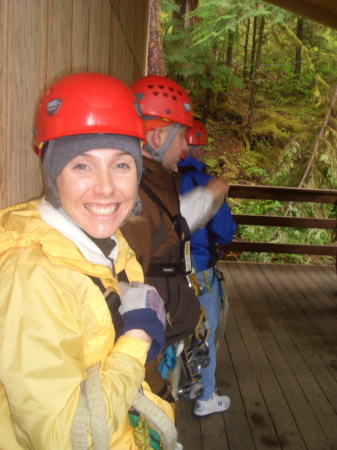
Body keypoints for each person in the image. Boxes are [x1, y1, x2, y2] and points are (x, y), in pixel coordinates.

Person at [0, 73, 179, 449]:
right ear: (53, 176)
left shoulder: (108, 246)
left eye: (121, 165)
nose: (106, 187)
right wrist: (135, 339)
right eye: (82, 166)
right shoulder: (35, 278)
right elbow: (66, 438)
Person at [121, 76, 229, 406]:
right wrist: (155, 389)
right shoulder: (134, 194)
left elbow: (170, 226)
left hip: (164, 337)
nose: (186, 147)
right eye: (182, 136)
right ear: (156, 136)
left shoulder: (156, 181)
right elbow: (127, 299)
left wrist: (207, 198)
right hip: (144, 369)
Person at [177, 119, 236, 418]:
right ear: (197, 149)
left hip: (163, 272)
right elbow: (225, 232)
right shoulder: (206, 183)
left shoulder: (153, 177)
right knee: (206, 333)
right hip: (198, 272)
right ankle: (206, 397)